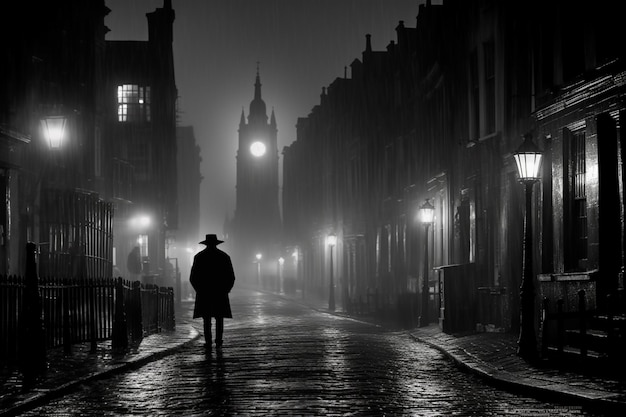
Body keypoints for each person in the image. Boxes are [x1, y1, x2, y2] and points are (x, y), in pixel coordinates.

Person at [190, 234, 236, 349]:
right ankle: (219, 340)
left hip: (204, 292)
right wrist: (226, 289)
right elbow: (231, 276)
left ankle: (208, 341)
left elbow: (193, 277)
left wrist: (199, 290)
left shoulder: (199, 257)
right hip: (220, 292)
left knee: (206, 318)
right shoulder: (224, 256)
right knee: (219, 318)